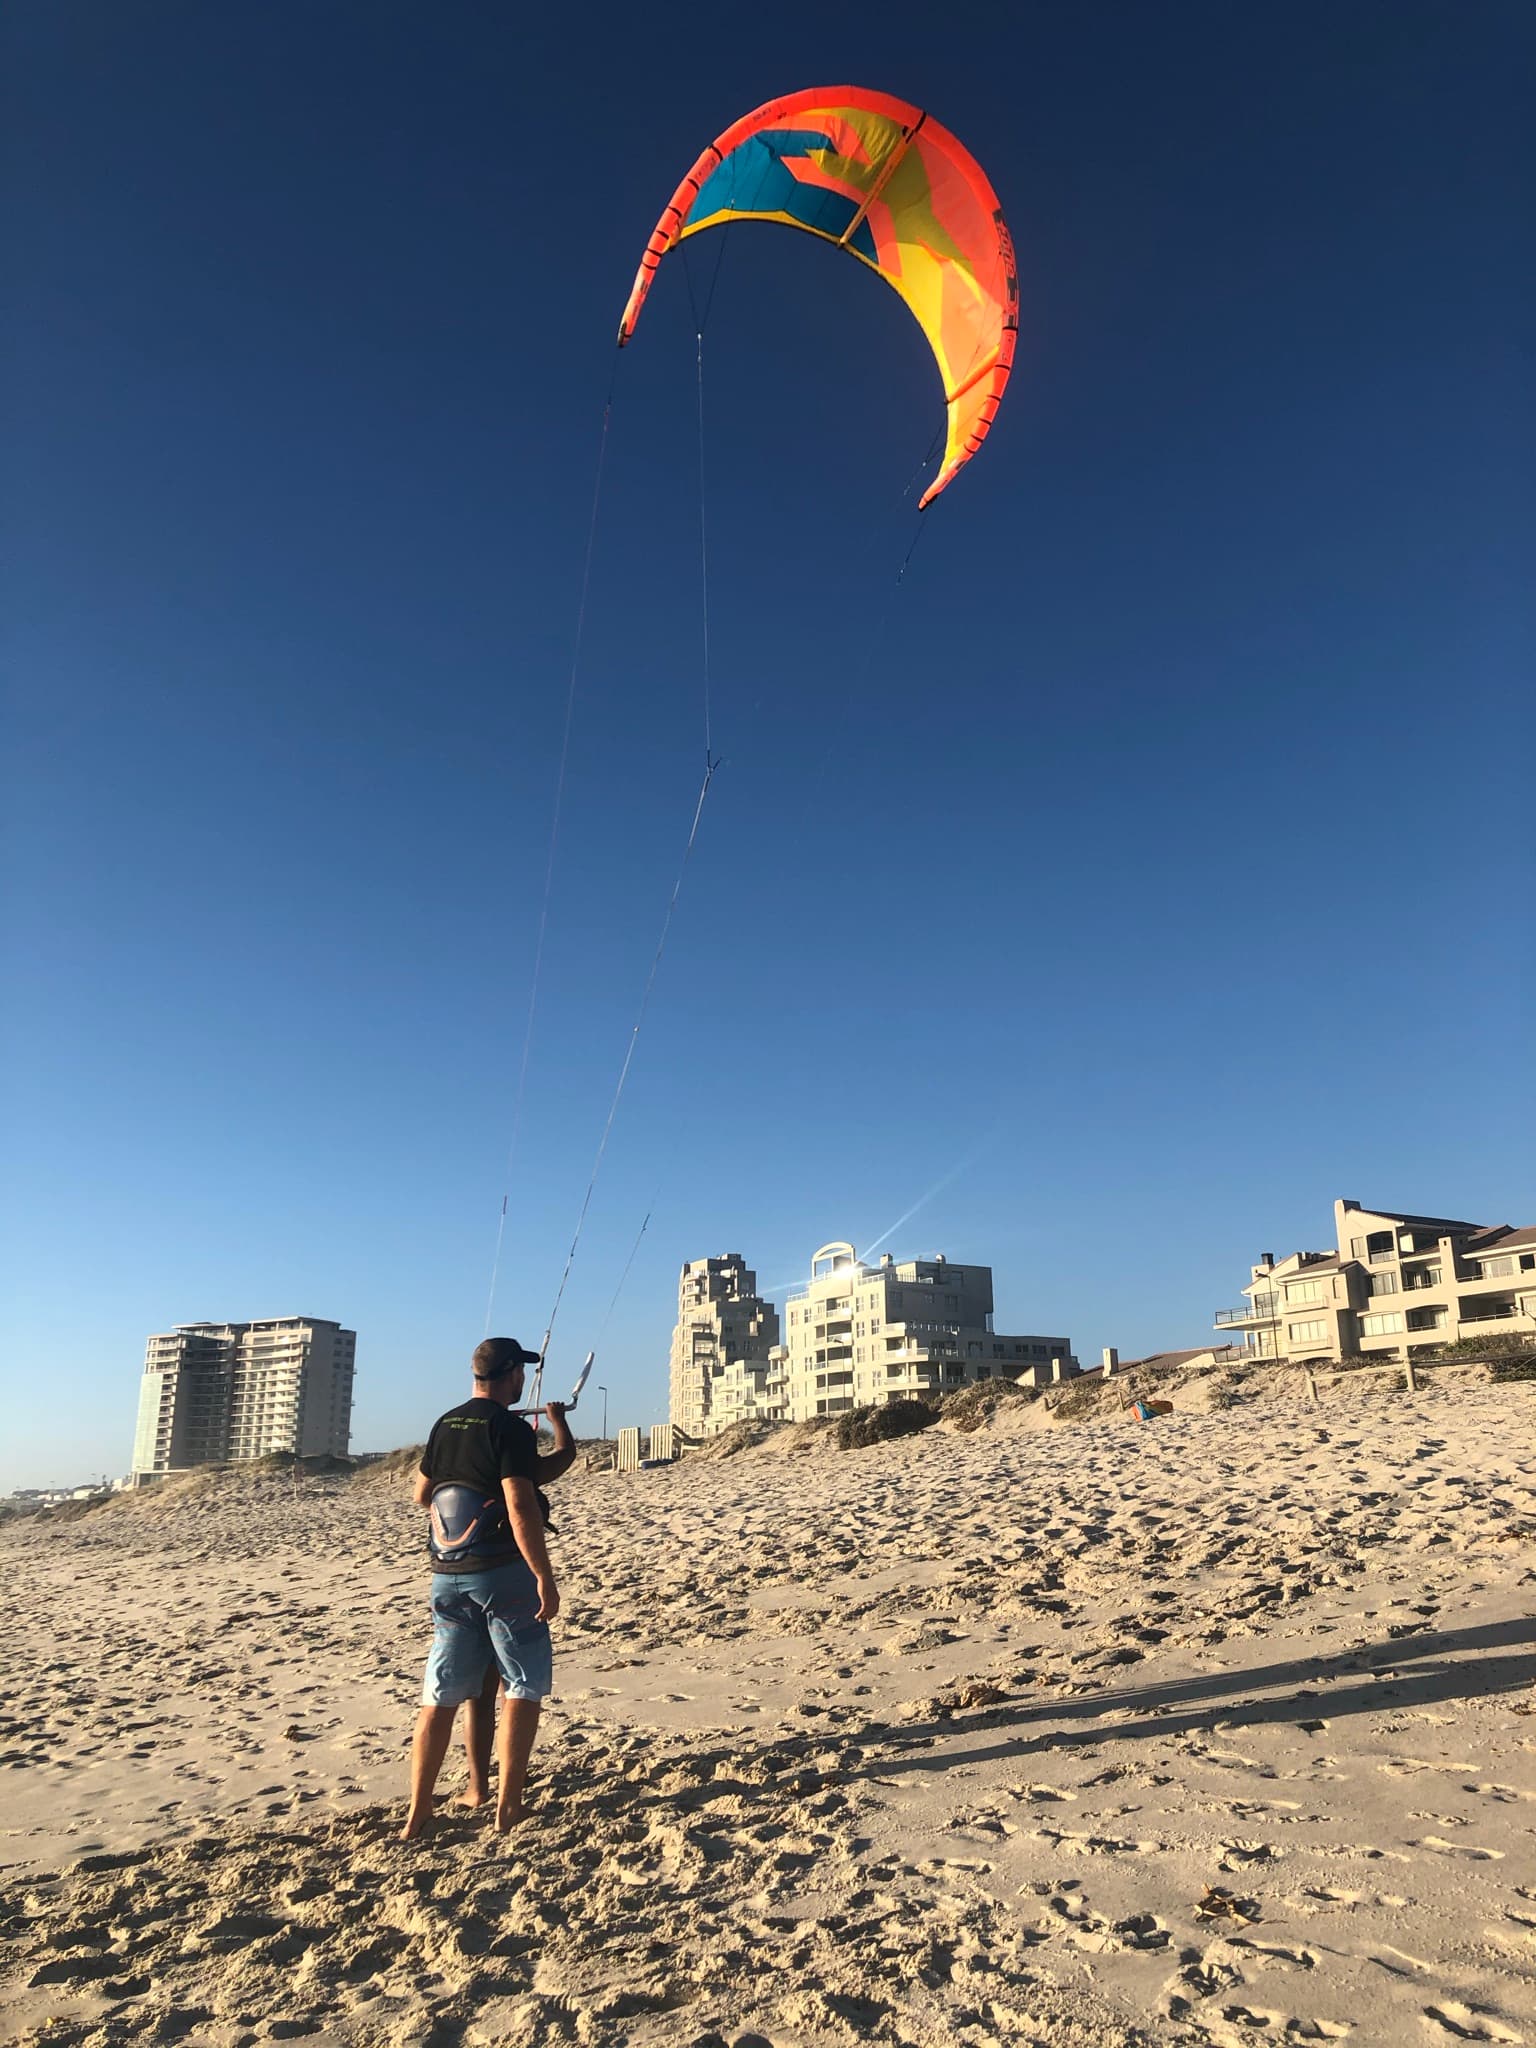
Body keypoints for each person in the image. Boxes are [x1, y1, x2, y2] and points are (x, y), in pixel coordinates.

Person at [402, 1335, 577, 1839]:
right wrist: (544, 1575)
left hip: (446, 1578)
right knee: (521, 1683)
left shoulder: (444, 1423)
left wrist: (557, 1427)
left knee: (443, 1694)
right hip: (502, 1576)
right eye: (521, 1371)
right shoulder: (507, 1427)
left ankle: (420, 1811)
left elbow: (422, 1495)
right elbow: (521, 1504)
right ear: (511, 1376)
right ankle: (509, 1806)